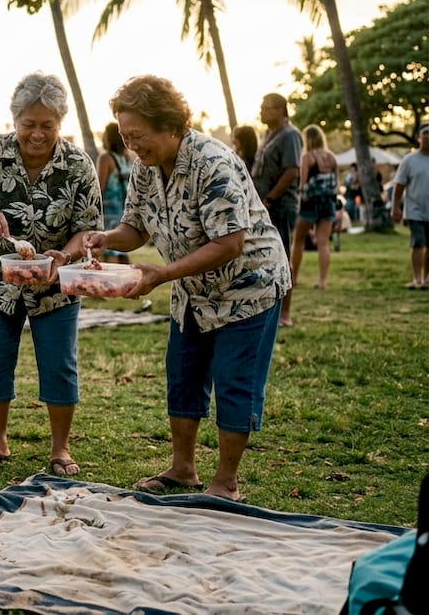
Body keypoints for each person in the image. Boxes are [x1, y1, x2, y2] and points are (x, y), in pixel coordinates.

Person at [85, 75, 291, 503]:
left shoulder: (212, 162)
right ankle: (183, 470)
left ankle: (226, 482)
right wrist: (106, 238)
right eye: (125, 136)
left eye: (138, 135)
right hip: (191, 289)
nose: (131, 145)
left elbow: (229, 243)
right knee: (183, 374)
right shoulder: (144, 167)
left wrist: (162, 274)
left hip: (247, 287)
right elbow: (136, 227)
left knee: (233, 380)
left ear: (170, 126)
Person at [0, 71, 102, 475]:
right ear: (14, 119)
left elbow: (88, 229)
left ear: (60, 123)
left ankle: (61, 448)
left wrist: (64, 256)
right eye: (28, 124)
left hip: (55, 282)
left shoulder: (78, 164)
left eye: (47, 125)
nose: (37, 134)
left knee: (59, 364)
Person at [251, 92, 301, 327]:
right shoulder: (267, 135)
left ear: (281, 110)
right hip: (263, 205)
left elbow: (291, 171)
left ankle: (285, 313)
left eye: (266, 108)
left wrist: (269, 199)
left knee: (282, 257)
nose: (261, 111)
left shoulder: (290, 135)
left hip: (279, 205)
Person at [289, 124, 339, 299]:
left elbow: (302, 183)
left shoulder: (307, 157)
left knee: (298, 241)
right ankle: (322, 281)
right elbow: (337, 183)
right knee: (323, 243)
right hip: (328, 203)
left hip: (309, 204)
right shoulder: (332, 157)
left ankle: (294, 278)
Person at [392, 123, 429, 289]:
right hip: (415, 210)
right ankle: (417, 278)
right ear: (418, 137)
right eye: (425, 133)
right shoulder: (409, 160)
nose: (428, 136)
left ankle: (427, 278)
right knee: (418, 243)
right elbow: (399, 186)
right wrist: (395, 207)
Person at [96, 121, 135, 264]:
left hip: (108, 211)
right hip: (124, 209)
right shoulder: (126, 158)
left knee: (108, 251)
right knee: (121, 250)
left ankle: (112, 278)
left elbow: (98, 188)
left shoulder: (106, 158)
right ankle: (128, 277)